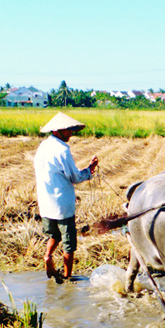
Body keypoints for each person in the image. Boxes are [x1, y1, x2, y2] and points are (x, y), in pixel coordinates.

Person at [34, 112, 99, 283]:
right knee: (69, 243)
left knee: (54, 235)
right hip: (62, 204)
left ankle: (48, 257)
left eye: (71, 130)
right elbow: (75, 177)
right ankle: (67, 277)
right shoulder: (62, 150)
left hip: (46, 202)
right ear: (57, 131)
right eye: (67, 130)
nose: (70, 133)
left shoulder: (43, 147)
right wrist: (89, 170)